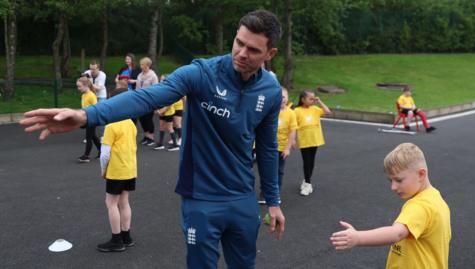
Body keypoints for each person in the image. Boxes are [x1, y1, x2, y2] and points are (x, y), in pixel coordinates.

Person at [21, 9, 285, 269]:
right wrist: (86, 116)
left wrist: (273, 201)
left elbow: (267, 147)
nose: (241, 53)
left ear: (270, 54)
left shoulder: (270, 90)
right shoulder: (202, 73)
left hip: (242, 198)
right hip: (201, 198)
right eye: (239, 43)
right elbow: (145, 97)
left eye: (253, 50)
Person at [330, 143, 451, 269]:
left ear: (421, 174)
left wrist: (358, 238)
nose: (393, 187)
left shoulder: (420, 206)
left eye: (399, 180)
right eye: (390, 181)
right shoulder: (436, 200)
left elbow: (396, 233)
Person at [97, 86, 138, 252]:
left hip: (116, 170)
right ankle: (126, 236)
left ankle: (116, 240)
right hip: (130, 169)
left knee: (111, 203)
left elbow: (104, 154)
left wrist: (103, 170)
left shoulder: (111, 126)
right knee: (124, 202)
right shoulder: (130, 123)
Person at [258, 87, 297, 204]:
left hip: (281, 148)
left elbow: (292, 131)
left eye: (284, 97)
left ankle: (275, 195)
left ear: (288, 98)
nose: (282, 99)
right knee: (266, 171)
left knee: (278, 172)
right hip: (268, 147)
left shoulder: (291, 114)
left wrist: (288, 148)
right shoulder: (270, 110)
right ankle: (264, 194)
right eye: (279, 97)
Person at [294, 90, 331, 196]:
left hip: (315, 139)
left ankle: (306, 181)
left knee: (311, 161)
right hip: (304, 140)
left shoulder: (315, 109)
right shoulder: (297, 111)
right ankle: (308, 183)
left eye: (314, 98)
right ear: (303, 99)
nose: (313, 100)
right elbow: (293, 126)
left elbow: (328, 112)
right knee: (306, 162)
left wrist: (320, 102)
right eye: (310, 98)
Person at [76, 77, 101, 163]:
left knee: (89, 137)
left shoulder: (91, 95)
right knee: (93, 136)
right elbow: (84, 108)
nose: (78, 88)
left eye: (79, 86)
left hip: (92, 119)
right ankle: (101, 151)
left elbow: (96, 108)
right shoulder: (83, 95)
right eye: (77, 86)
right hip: (87, 119)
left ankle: (86, 156)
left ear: (86, 85)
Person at [136, 57, 159, 146]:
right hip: (140, 100)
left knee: (148, 118)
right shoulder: (140, 75)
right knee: (142, 118)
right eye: (141, 64)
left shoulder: (153, 75)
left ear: (147, 65)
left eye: (142, 64)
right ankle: (146, 136)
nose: (141, 66)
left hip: (149, 100)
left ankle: (151, 137)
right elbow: (137, 87)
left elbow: (156, 89)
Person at [83, 60, 107, 136]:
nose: (92, 71)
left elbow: (98, 88)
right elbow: (82, 83)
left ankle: (103, 136)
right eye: (91, 69)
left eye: (94, 69)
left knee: (102, 115)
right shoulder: (87, 73)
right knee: (89, 115)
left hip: (101, 96)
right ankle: (89, 136)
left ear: (98, 68)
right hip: (91, 96)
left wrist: (89, 83)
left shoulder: (102, 75)